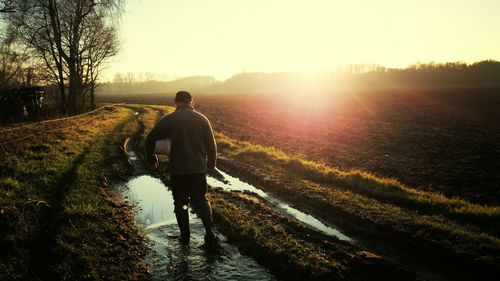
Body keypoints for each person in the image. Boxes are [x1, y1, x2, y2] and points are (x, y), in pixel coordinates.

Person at [145, 91, 221, 250]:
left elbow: (150, 139)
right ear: (191, 102)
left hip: (178, 171)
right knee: (201, 200)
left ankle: (185, 238)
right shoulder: (202, 119)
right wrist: (211, 164)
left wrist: (152, 158)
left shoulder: (169, 119)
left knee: (180, 203)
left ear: (175, 102)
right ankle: (210, 233)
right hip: (198, 170)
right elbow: (212, 145)